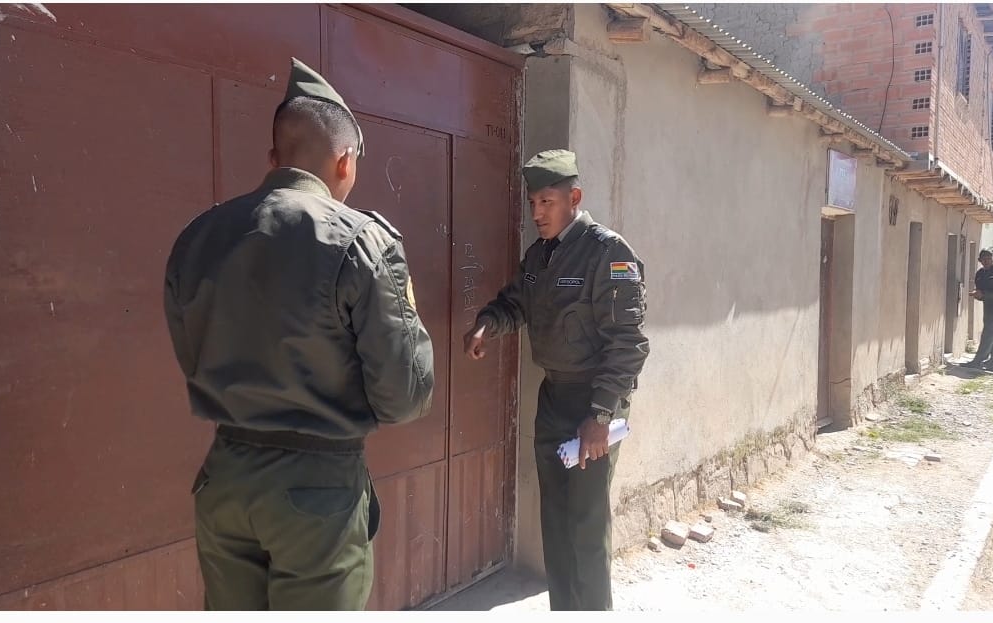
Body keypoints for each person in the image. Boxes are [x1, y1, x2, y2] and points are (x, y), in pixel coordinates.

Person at [163, 57, 435, 610]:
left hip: (225, 478)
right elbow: (406, 395)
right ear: (345, 160)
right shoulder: (361, 241)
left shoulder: (199, 236)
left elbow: (190, 353)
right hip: (319, 491)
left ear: (273, 159)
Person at [462, 149, 649, 611]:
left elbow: (628, 342)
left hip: (593, 403)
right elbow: (516, 303)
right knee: (556, 523)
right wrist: (488, 322)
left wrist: (602, 414)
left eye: (547, 201)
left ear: (574, 197)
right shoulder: (539, 257)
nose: (538, 213)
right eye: (533, 204)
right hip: (554, 400)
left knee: (585, 527)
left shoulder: (608, 253)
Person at [963, 249, 993, 373]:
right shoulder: (980, 274)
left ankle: (978, 361)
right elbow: (980, 291)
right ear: (980, 261)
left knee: (988, 333)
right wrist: (978, 295)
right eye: (984, 259)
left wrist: (984, 294)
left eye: (989, 258)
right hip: (988, 306)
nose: (987, 261)